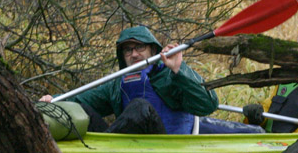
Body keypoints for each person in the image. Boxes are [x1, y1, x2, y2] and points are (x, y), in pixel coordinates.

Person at [40, 26, 219, 134]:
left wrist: (179, 69)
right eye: (128, 50)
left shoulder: (171, 76)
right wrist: (53, 101)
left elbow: (208, 105)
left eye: (139, 47)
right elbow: (81, 100)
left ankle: (108, 147)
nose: (134, 54)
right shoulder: (117, 84)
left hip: (168, 147)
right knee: (83, 110)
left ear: (152, 50)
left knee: (140, 107)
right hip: (129, 148)